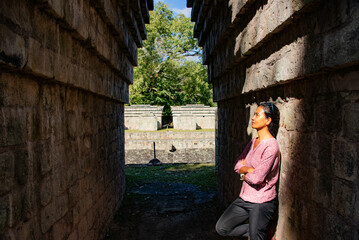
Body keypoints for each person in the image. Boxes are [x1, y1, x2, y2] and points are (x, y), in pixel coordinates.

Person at [215, 102, 280, 240]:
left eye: (257, 115)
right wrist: (249, 170)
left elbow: (257, 179)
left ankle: (259, 231)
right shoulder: (252, 142)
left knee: (257, 237)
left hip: (262, 201)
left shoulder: (271, 146)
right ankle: (260, 230)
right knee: (222, 227)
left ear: (268, 120)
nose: (253, 118)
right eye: (254, 114)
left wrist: (244, 174)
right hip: (245, 198)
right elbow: (237, 165)